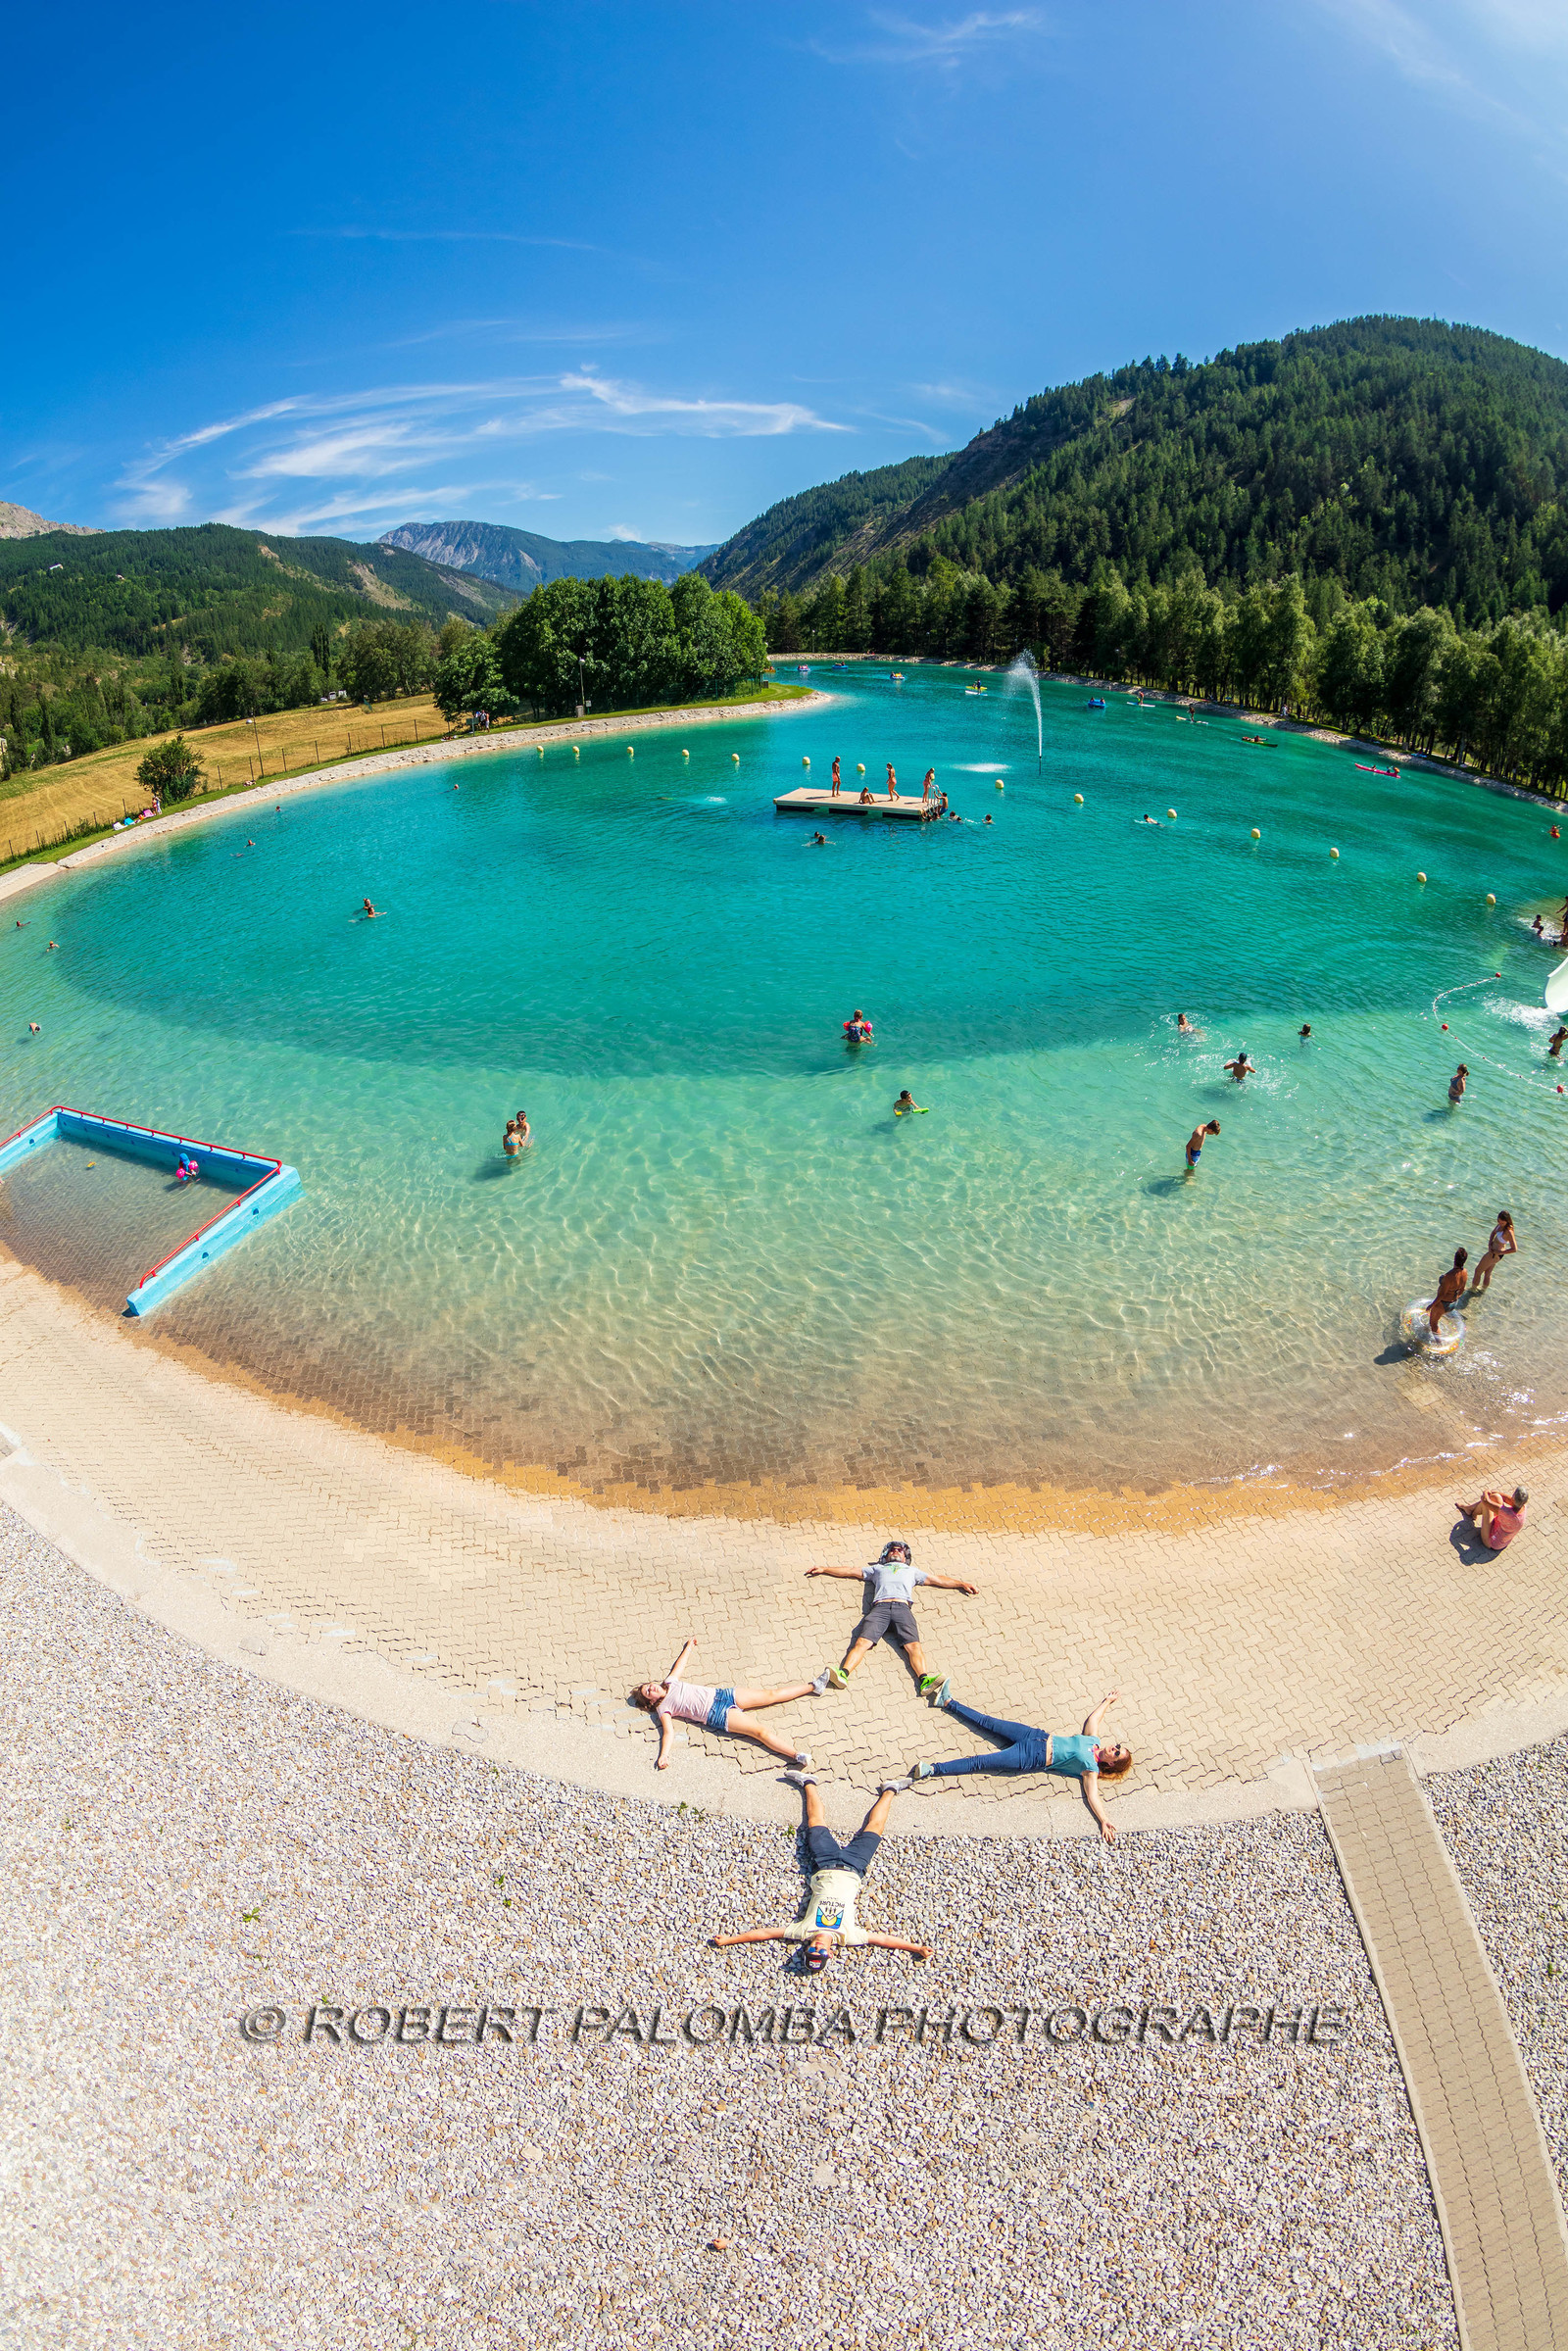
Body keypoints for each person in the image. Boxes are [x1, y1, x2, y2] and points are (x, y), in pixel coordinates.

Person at [710, 1772, 931, 1971]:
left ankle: (808, 1782)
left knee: (815, 1822)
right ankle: (891, 1789)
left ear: (806, 1949)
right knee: (874, 1829)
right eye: (821, 1953)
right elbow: (883, 1940)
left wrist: (730, 1939)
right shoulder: (848, 1936)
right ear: (831, 1954)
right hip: (854, 1867)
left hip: (824, 1864)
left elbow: (765, 1933)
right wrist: (916, 1948)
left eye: (812, 1951)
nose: (817, 1948)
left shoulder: (802, 1931)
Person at [893, 1686, 1131, 1844]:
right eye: (1118, 1746)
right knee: (988, 1722)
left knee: (978, 1763)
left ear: (1111, 1764)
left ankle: (931, 1770)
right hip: (1036, 1736)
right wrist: (1107, 1702)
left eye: (1117, 1754)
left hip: (1031, 1758)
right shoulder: (1093, 1741)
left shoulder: (1090, 1769)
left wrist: (1103, 1819)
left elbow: (1093, 1797)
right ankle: (947, 1702)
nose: (1115, 1748)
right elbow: (1093, 1720)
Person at [808, 1540, 977, 1694]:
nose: (896, 1551)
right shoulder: (877, 1569)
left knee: (914, 1647)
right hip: (879, 1609)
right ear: (885, 1555)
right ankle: (842, 1674)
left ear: (906, 1557)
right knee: (861, 1643)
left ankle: (924, 1680)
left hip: (902, 1608)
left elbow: (937, 1579)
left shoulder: (912, 1571)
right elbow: (850, 1571)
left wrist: (961, 1583)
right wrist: (825, 1569)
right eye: (892, 1550)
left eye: (900, 1550)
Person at [631, 1637, 818, 1772]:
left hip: (724, 1694)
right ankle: (796, 1755)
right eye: (649, 1692)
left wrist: (688, 1647)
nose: (652, 1687)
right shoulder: (663, 1709)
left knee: (771, 1694)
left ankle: (813, 1686)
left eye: (649, 1685)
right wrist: (663, 1755)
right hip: (717, 1714)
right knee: (760, 1732)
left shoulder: (669, 1682)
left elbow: (679, 1667)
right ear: (651, 1702)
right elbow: (668, 1733)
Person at [1454, 1486, 1529, 1550]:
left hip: (1492, 1543)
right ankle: (1469, 1509)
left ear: (1514, 1498)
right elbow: (1508, 1499)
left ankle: (1470, 1510)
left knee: (1486, 1505)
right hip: (1502, 1536)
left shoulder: (1507, 1513)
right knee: (1495, 1497)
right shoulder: (1523, 1507)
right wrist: (1494, 1493)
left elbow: (1485, 1500)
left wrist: (1486, 1492)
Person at [1425, 1249, 1468, 1336]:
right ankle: (1427, 1333)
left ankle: (1439, 1344)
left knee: (1433, 1324)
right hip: (1453, 1303)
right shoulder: (1465, 1272)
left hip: (1442, 1304)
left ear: (1454, 1259)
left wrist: (1431, 1305)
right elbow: (1462, 1289)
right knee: (1434, 1321)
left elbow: (1441, 1295)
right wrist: (1455, 1297)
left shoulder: (1448, 1277)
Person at [1470, 1210, 1516, 1292]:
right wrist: (1490, 1244)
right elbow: (1493, 1233)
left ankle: (1472, 1290)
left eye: (1502, 1222)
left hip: (1496, 1254)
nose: (1500, 1223)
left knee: (1478, 1271)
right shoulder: (1499, 1225)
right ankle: (1483, 1290)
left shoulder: (1509, 1231)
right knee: (1487, 1273)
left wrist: (1500, 1252)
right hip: (1493, 1252)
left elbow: (1514, 1249)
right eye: (1498, 1221)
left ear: (1507, 1221)